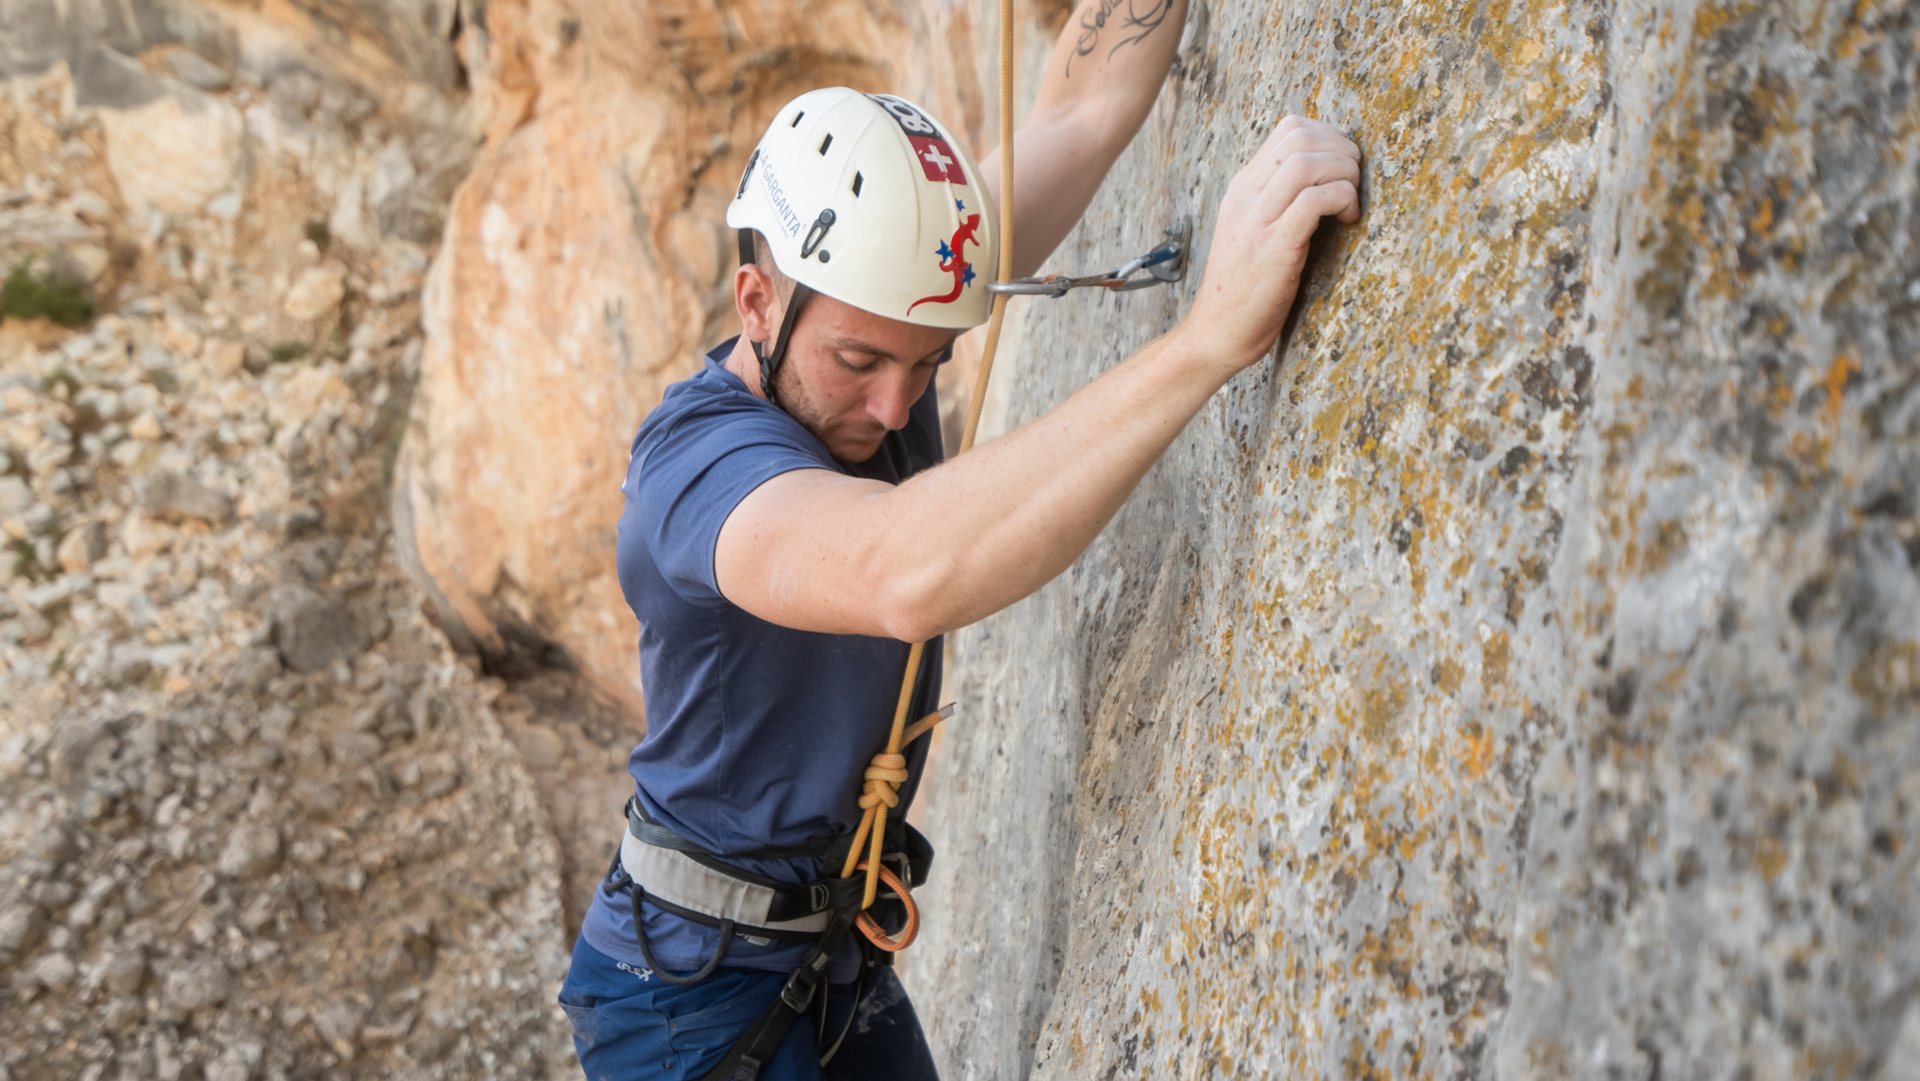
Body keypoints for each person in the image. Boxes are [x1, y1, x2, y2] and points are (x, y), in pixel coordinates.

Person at [559, 1, 1363, 1076]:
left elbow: (1081, 113)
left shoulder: (892, 286)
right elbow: (901, 569)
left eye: (930, 362)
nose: (897, 408)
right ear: (757, 301)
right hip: (687, 999)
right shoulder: (695, 472)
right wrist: (1208, 339)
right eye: (859, 363)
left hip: (832, 950)